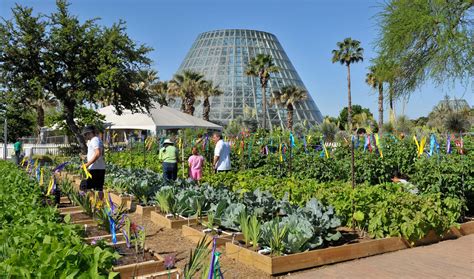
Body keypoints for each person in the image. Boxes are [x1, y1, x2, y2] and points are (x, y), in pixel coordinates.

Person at [82, 125, 106, 199]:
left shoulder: (94, 140)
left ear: (90, 133)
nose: (85, 136)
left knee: (84, 187)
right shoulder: (98, 140)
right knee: (98, 188)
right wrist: (86, 156)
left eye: (85, 134)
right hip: (100, 168)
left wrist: (87, 164)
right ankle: (99, 206)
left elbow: (98, 153)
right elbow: (101, 153)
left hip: (94, 169)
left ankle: (91, 204)